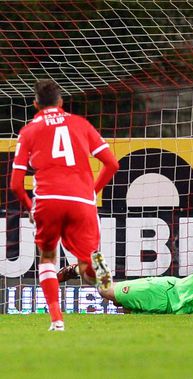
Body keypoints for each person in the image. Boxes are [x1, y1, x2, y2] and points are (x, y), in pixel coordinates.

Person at [59, 160, 193, 317]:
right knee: (106, 290)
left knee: (123, 310)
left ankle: (82, 267)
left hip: (177, 315)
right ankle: (93, 260)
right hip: (165, 292)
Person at [10, 79, 120, 331]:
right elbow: (112, 164)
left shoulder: (28, 131)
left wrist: (31, 208)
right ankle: (98, 272)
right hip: (81, 200)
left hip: (48, 201)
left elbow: (16, 184)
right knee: (91, 263)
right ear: (61, 102)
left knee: (47, 258)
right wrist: (90, 193)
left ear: (35, 104)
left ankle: (57, 321)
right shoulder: (80, 124)